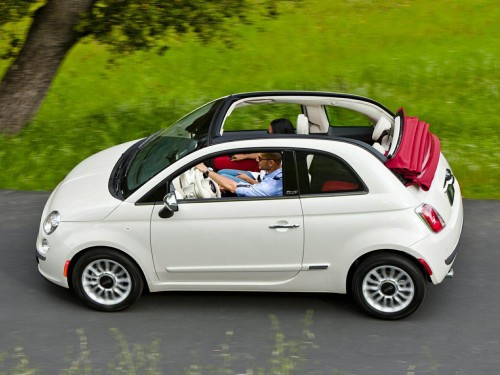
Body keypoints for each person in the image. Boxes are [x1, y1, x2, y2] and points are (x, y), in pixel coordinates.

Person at [217, 118, 293, 183]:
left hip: (256, 185)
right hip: (258, 176)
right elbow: (262, 155)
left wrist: (248, 179)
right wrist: (245, 156)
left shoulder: (283, 161)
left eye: (270, 133)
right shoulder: (276, 148)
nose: (267, 136)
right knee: (221, 172)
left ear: (278, 134)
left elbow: (264, 188)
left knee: (222, 177)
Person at [196, 152, 283, 197]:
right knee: (221, 174)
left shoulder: (271, 187)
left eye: (260, 158)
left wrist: (206, 171)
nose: (256, 160)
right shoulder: (276, 172)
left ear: (271, 162)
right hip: (258, 185)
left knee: (223, 177)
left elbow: (233, 187)